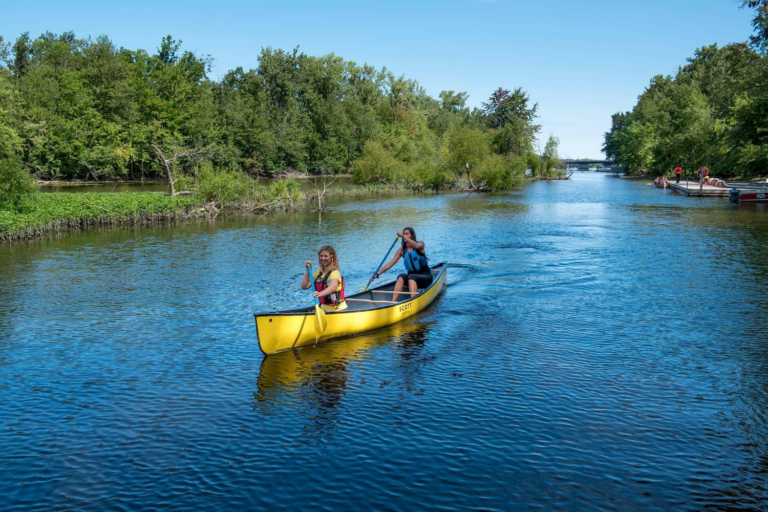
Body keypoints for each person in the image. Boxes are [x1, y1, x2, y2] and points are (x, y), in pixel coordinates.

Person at [370, 227, 432, 302]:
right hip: (411, 278)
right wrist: (377, 274)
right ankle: (393, 302)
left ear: (412, 235)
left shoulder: (420, 244)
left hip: (425, 277)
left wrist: (402, 236)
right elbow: (390, 264)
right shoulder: (401, 251)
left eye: (407, 234)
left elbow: (417, 246)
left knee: (412, 277)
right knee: (401, 276)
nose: (405, 235)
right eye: (404, 234)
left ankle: (412, 301)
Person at [301, 245, 347, 312]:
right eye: (321, 256)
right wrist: (308, 271)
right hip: (323, 309)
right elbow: (304, 286)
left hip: (338, 310)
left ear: (332, 257)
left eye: (326, 256)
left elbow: (333, 287)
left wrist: (320, 294)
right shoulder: (318, 273)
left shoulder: (335, 273)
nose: (323, 258)